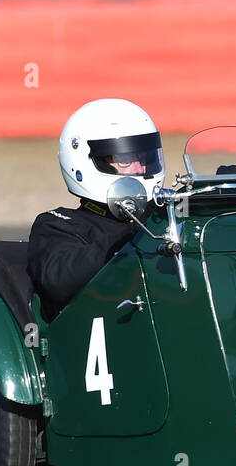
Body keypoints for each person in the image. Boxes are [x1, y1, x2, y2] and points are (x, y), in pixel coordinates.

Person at [27, 99, 165, 320]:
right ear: (85, 162)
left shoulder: (161, 215)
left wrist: (223, 196)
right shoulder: (59, 225)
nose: (141, 168)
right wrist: (135, 233)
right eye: (126, 158)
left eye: (145, 157)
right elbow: (59, 282)